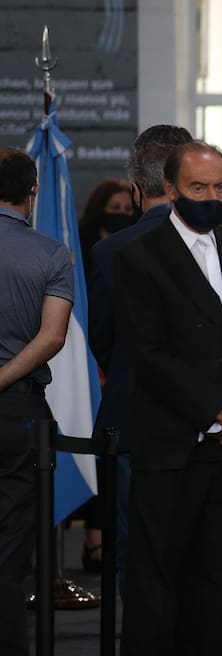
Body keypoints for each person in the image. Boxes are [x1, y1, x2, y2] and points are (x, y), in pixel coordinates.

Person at [115, 141, 222, 654]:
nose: (210, 197)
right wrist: (218, 411)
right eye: (197, 187)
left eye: (218, 187)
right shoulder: (138, 254)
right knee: (158, 586)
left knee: (220, 582)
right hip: (170, 447)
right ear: (170, 189)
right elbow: (149, 355)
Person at [89, 125, 222, 596]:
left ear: (137, 190)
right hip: (219, 417)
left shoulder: (112, 249)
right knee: (209, 555)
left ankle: (144, 627)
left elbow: (105, 339)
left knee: (139, 553)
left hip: (141, 416)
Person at [0, 148, 73, 656]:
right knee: (9, 549)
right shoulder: (51, 254)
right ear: (33, 193)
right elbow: (52, 337)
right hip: (18, 411)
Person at [73, 177, 135, 572]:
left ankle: (106, 537)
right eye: (114, 209)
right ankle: (92, 539)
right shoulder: (82, 252)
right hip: (85, 365)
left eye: (127, 209)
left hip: (119, 374)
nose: (121, 215)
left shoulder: (137, 249)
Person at [77, 177, 135, 277]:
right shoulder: (80, 247)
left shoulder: (138, 249)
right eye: (115, 207)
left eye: (128, 208)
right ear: (100, 209)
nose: (122, 212)